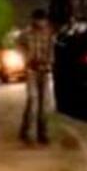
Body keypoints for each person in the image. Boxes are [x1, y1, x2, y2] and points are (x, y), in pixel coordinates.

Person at [19, 9, 55, 145]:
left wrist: (49, 62)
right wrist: (27, 59)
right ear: (34, 20)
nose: (41, 23)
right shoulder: (26, 34)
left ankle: (42, 133)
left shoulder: (49, 33)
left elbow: (51, 50)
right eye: (39, 20)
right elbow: (20, 48)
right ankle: (27, 132)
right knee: (33, 100)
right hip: (31, 71)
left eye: (43, 20)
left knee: (44, 104)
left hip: (44, 71)